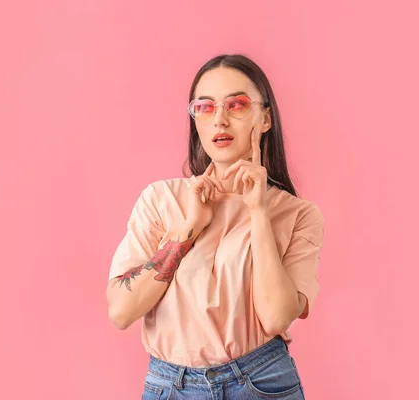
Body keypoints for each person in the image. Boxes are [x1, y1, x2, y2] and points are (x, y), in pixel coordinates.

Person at [106, 53, 325, 399]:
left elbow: (276, 319)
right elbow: (121, 311)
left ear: (265, 118)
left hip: (260, 383)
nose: (219, 120)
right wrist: (190, 227)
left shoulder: (297, 215)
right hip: (170, 386)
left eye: (236, 105)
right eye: (205, 107)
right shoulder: (161, 199)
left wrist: (258, 212)